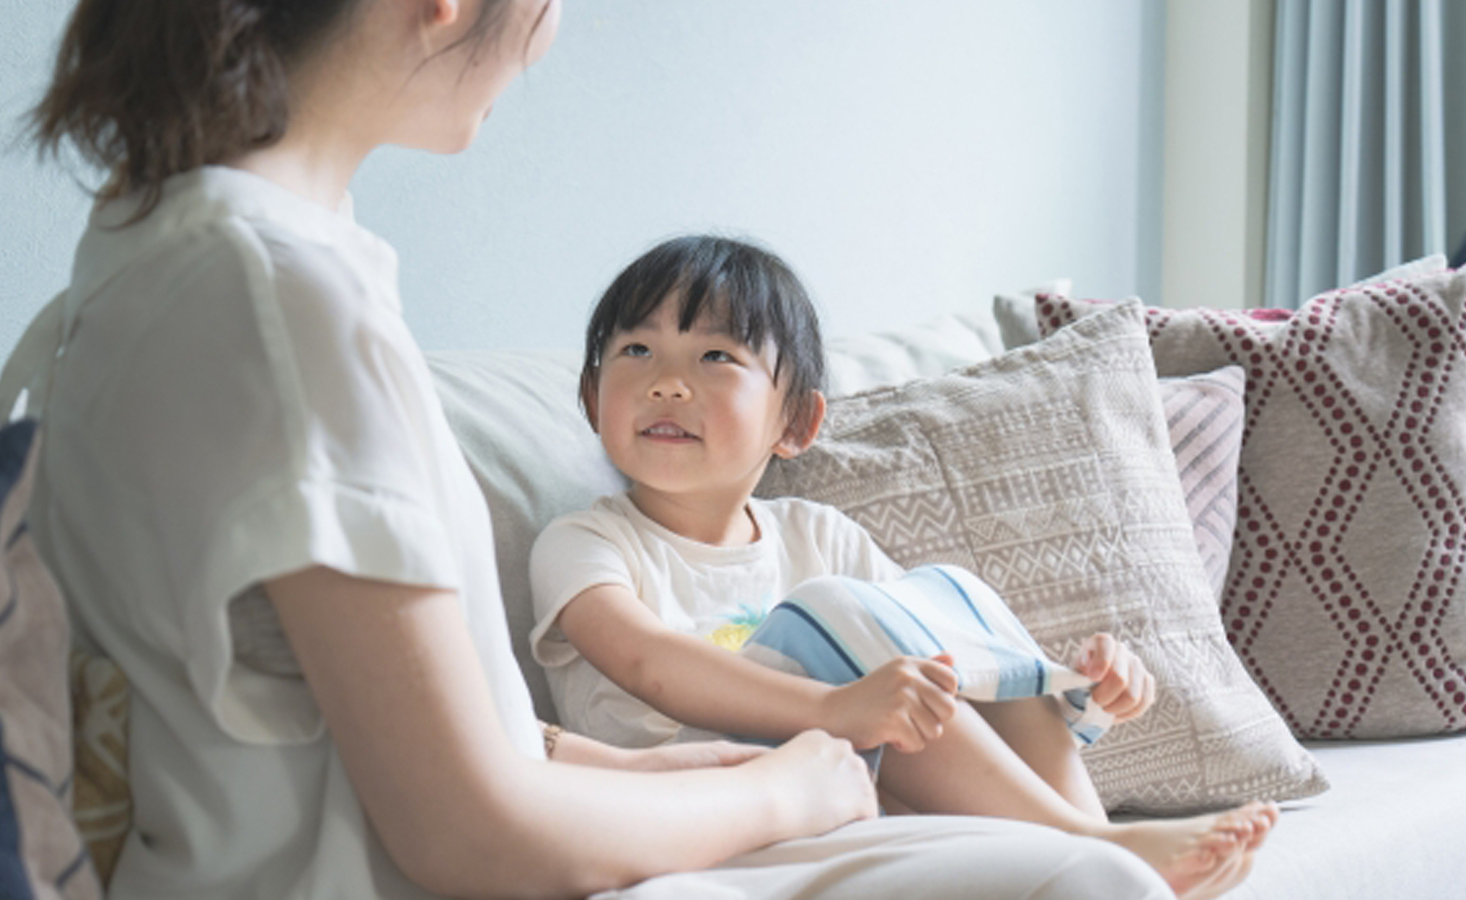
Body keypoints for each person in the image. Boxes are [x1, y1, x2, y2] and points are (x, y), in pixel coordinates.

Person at [0, 0, 1191, 897]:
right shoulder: (278, 301)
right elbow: (467, 833)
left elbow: (322, 715)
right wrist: (783, 782)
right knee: (1087, 887)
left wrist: (676, 776)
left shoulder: (157, 247)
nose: (551, 28)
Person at [530, 235, 1279, 900]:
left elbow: (941, 670)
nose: (667, 382)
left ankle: (1089, 817)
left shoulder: (818, 532)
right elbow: (644, 660)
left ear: (796, 424)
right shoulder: (586, 540)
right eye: (636, 351)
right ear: (593, 399)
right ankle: (1093, 843)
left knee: (948, 602)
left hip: (846, 788)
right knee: (838, 615)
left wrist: (1066, 688)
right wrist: (835, 708)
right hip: (699, 791)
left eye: (716, 357)